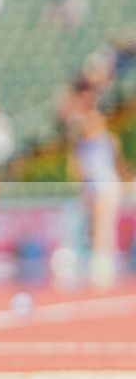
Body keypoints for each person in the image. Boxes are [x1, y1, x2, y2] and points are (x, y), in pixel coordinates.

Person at [68, 109, 124, 290]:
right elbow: (79, 170)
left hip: (106, 185)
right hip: (91, 188)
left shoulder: (108, 140)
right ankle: (95, 262)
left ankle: (103, 265)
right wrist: (83, 189)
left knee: (103, 224)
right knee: (92, 227)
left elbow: (116, 164)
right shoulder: (82, 144)